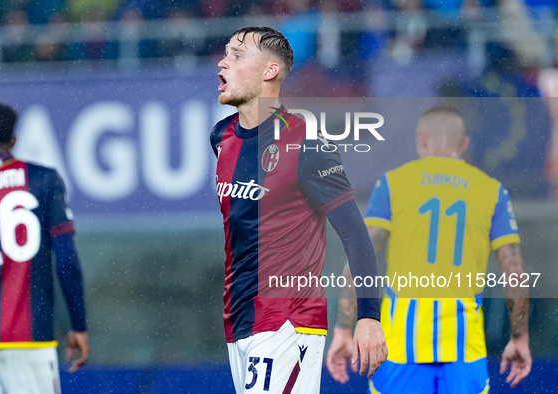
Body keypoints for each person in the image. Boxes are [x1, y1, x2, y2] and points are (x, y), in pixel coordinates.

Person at [210, 26, 387, 394]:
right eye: (226, 53)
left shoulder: (308, 143)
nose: (223, 63)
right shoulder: (221, 137)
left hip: (288, 322)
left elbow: (356, 234)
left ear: (269, 72)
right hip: (238, 320)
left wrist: (369, 317)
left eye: (237, 56)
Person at [326, 106, 531, 393]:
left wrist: (343, 328)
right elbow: (515, 271)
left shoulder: (393, 183)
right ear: (464, 144)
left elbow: (362, 255)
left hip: (398, 348)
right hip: (465, 347)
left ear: (422, 139)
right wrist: (519, 337)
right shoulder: (491, 190)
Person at [0, 102, 89, 393]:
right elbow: (66, 261)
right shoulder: (42, 179)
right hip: (28, 336)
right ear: (13, 141)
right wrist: (79, 324)